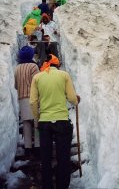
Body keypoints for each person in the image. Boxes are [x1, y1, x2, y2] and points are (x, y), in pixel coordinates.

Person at [30, 54, 80, 189]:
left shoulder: (37, 77)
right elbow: (72, 99)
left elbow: (33, 102)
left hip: (44, 123)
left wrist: (37, 119)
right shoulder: (64, 75)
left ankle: (47, 185)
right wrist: (76, 99)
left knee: (45, 159)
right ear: (57, 65)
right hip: (62, 122)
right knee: (63, 158)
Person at [14, 46, 40, 157]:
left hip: (22, 98)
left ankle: (28, 148)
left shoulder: (17, 68)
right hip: (33, 98)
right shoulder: (33, 66)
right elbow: (38, 83)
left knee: (26, 123)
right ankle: (38, 147)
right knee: (37, 123)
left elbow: (16, 86)